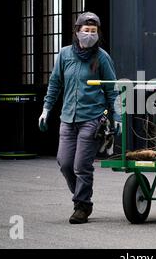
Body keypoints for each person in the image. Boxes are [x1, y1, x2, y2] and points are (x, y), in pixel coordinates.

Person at [38, 12, 122, 224]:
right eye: (86, 31)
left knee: (81, 166)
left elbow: (112, 90)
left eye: (93, 32)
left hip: (92, 118)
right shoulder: (64, 55)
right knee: (65, 163)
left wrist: (117, 116)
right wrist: (46, 109)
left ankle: (82, 206)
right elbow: (55, 83)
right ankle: (82, 198)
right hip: (67, 118)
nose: (89, 35)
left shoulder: (101, 57)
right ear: (77, 32)